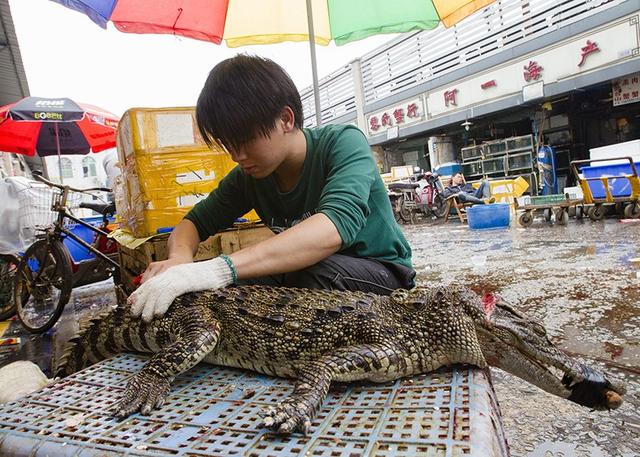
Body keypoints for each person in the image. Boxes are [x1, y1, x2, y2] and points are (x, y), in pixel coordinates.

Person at [128, 55, 416, 323]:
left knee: (310, 275)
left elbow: (333, 228)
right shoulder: (249, 176)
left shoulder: (343, 144)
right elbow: (192, 223)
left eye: (244, 140)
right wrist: (180, 261)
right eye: (228, 145)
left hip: (381, 273)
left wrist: (215, 269)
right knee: (227, 290)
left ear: (285, 119)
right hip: (311, 273)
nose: (236, 156)